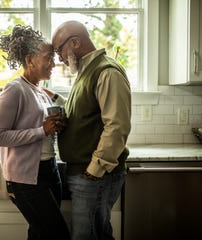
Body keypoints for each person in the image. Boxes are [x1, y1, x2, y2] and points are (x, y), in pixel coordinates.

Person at [47, 20, 131, 240]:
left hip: (94, 174)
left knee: (86, 236)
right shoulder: (85, 71)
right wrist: (56, 99)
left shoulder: (107, 71)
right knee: (99, 233)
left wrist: (94, 170)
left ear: (75, 42)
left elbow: (117, 125)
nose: (59, 59)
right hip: (85, 172)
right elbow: (86, 109)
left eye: (59, 51)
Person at [0, 24, 71, 240]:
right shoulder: (15, 89)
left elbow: (40, 130)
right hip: (26, 179)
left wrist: (54, 127)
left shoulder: (40, 91)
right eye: (48, 58)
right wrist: (41, 130)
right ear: (29, 60)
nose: (53, 63)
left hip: (49, 170)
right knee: (58, 235)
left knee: (39, 234)